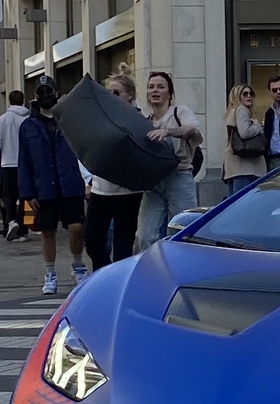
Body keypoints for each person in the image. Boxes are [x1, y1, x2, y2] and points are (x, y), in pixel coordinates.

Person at [17, 77, 89, 296]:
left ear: (57, 92)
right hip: (43, 187)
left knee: (76, 227)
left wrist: (88, 182)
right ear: (36, 96)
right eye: (41, 91)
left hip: (70, 183)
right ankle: (50, 274)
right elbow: (24, 161)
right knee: (47, 230)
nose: (46, 95)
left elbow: (83, 151)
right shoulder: (28, 126)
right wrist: (27, 193)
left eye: (49, 90)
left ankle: (78, 265)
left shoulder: (69, 121)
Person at [82, 73, 145, 270]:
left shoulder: (139, 119)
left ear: (130, 95)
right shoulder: (98, 117)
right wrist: (88, 180)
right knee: (92, 241)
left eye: (116, 92)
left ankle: (118, 282)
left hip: (128, 192)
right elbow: (83, 149)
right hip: (100, 189)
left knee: (122, 246)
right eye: (108, 92)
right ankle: (104, 275)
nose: (111, 96)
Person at [141, 71, 203, 234]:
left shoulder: (180, 112)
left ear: (169, 93)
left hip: (180, 176)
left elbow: (190, 129)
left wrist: (167, 132)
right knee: (146, 235)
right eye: (151, 87)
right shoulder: (145, 119)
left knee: (183, 230)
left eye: (160, 87)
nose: (155, 90)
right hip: (154, 181)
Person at [0, 93, 30, 240]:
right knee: (26, 196)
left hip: (8, 163)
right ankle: (24, 229)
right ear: (23, 100)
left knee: (9, 196)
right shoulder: (28, 118)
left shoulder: (4, 119)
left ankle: (11, 221)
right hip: (25, 163)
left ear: (9, 101)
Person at [222, 84, 266, 193]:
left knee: (234, 204)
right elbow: (244, 132)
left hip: (233, 168)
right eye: (245, 94)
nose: (249, 96)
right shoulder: (242, 110)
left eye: (251, 94)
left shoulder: (230, 112)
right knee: (245, 205)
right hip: (246, 167)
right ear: (237, 96)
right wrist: (257, 126)